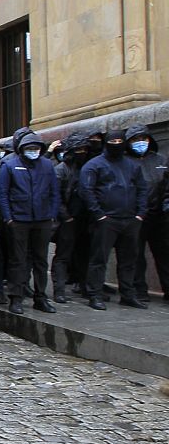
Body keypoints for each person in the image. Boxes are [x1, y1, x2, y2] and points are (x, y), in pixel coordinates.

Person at [79, 130, 149, 310]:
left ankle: (128, 293)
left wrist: (140, 213)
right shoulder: (94, 165)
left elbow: (142, 189)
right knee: (99, 259)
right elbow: (86, 190)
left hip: (130, 220)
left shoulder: (132, 165)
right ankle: (94, 294)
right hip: (106, 220)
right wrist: (99, 215)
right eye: (113, 141)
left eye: (120, 140)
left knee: (128, 260)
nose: (117, 144)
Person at [0, 130, 60, 314]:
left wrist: (52, 214)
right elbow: (2, 193)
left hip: (42, 219)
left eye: (36, 148)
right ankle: (16, 297)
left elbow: (54, 192)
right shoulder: (10, 166)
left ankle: (41, 297)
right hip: (19, 219)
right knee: (18, 260)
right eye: (29, 148)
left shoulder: (47, 166)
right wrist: (9, 217)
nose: (33, 151)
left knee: (41, 260)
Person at [126, 125, 168, 302]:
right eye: (135, 140)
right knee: (135, 255)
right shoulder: (126, 162)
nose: (140, 143)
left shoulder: (161, 160)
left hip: (160, 216)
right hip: (136, 216)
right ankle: (139, 290)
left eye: (143, 138)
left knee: (165, 254)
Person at [52, 133, 92, 302]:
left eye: (84, 149)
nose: (81, 152)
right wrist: (66, 217)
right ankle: (59, 290)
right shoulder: (61, 170)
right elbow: (55, 196)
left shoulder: (89, 167)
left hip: (86, 217)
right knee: (63, 255)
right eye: (78, 150)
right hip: (67, 220)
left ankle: (86, 287)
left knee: (86, 254)